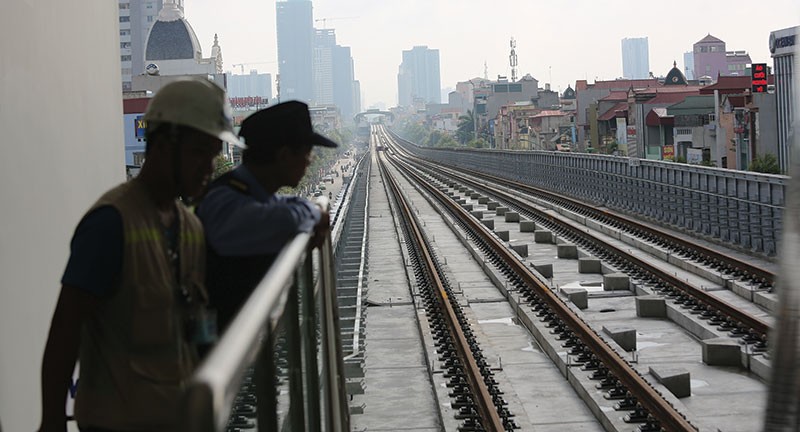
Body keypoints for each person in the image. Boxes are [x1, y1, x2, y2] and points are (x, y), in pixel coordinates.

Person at [38, 78, 238, 432]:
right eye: (198, 154)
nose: (208, 168)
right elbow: (65, 331)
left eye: (213, 156)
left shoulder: (191, 229)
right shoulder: (110, 224)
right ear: (163, 145)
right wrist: (52, 419)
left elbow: (197, 325)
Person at [197, 101, 337, 333]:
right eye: (307, 153)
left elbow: (285, 204)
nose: (310, 160)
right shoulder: (224, 200)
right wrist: (313, 212)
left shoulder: (250, 192)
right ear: (283, 156)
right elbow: (285, 219)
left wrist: (306, 208)